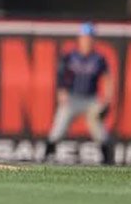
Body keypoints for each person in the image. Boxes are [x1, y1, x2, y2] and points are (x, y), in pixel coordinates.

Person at [45, 22, 113, 165]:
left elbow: (107, 78)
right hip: (72, 98)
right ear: (80, 39)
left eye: (90, 38)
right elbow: (61, 76)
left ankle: (107, 161)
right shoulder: (70, 56)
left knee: (99, 132)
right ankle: (48, 157)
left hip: (91, 99)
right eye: (85, 37)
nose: (87, 40)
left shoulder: (99, 59)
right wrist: (61, 91)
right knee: (58, 129)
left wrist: (106, 99)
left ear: (94, 40)